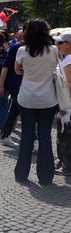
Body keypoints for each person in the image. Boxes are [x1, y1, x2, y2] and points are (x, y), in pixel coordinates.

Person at [14, 19, 58, 186]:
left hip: (26, 98)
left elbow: (17, 70)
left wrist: (27, 70)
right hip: (48, 99)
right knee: (45, 136)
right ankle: (46, 176)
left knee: (26, 136)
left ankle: (21, 173)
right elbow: (55, 69)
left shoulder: (22, 50)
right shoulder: (53, 50)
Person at [0, 27, 26, 148]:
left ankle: (5, 135)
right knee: (23, 110)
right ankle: (34, 140)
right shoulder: (16, 48)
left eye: (20, 36)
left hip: (21, 84)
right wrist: (1, 85)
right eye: (18, 36)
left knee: (14, 110)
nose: (18, 38)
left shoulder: (22, 47)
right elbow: (6, 67)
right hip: (16, 84)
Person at [54, 32, 71, 176]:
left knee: (65, 136)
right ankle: (64, 162)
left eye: (61, 43)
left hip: (67, 105)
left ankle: (67, 165)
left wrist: (65, 105)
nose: (57, 45)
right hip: (65, 104)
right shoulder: (66, 59)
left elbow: (69, 84)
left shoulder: (69, 59)